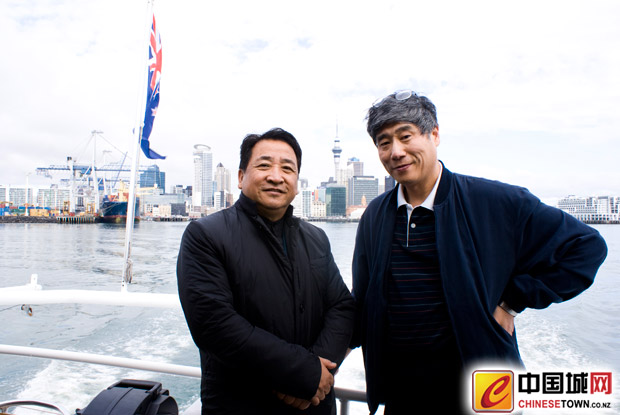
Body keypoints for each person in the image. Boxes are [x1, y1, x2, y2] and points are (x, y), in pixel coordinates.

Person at [349, 90, 608, 414]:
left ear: (434, 135)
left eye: (405, 136)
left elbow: (586, 247)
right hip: (403, 394)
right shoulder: (375, 215)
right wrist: (323, 359)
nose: (396, 152)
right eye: (384, 143)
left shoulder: (495, 202)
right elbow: (362, 301)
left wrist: (512, 302)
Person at [177, 128, 355, 415]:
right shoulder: (206, 235)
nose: (276, 176)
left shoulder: (316, 238)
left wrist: (318, 371)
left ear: (297, 182)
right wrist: (302, 373)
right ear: (240, 177)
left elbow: (342, 306)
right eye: (264, 165)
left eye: (288, 168)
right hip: (241, 406)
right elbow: (213, 325)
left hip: (314, 405)